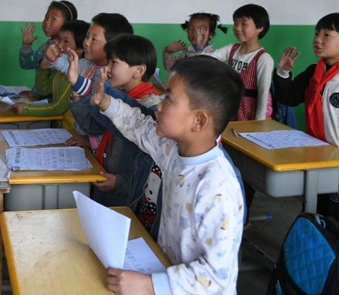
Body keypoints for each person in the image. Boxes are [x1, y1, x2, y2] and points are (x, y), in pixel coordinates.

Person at [88, 56, 244, 295]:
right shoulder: (173, 149)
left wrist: (149, 285)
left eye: (169, 98)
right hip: (168, 274)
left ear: (199, 120)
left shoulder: (216, 186)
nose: (159, 105)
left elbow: (216, 277)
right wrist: (107, 102)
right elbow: (139, 126)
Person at [273, 13, 339, 231]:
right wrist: (283, 71)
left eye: (327, 35)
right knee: (315, 218)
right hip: (315, 161)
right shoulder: (315, 72)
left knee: (338, 227)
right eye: (316, 34)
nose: (318, 39)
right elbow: (289, 97)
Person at [64, 35, 162, 209]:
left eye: (114, 63)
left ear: (138, 71)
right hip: (107, 177)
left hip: (124, 193)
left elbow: (146, 166)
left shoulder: (148, 107)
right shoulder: (122, 97)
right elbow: (92, 127)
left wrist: (121, 183)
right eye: (107, 62)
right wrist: (78, 96)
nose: (107, 68)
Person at [205, 4, 273, 121]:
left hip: (250, 114)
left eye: (244, 24)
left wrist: (259, 123)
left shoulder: (263, 58)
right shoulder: (232, 49)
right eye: (236, 23)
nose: (237, 28)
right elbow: (206, 58)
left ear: (260, 27)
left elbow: (263, 94)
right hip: (233, 107)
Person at [12, 20, 89, 116]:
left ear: (80, 49)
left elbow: (58, 108)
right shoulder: (60, 66)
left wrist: (26, 109)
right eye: (59, 39)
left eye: (66, 41)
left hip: (68, 126)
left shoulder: (76, 74)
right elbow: (43, 91)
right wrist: (42, 69)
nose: (60, 45)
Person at [19, 0, 78, 99]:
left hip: (54, 103)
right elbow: (26, 64)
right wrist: (26, 45)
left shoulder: (68, 50)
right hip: (40, 97)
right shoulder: (46, 45)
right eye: (46, 17)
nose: (47, 22)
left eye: (53, 19)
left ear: (67, 24)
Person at [162, 12, 226, 71]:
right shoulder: (186, 52)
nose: (195, 33)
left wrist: (199, 48)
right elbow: (170, 67)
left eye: (201, 29)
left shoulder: (215, 56)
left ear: (211, 34)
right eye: (192, 29)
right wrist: (168, 51)